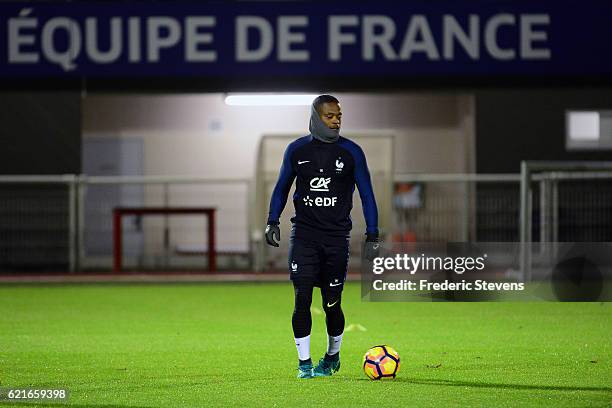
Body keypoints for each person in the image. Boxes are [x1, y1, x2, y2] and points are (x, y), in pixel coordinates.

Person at [264, 94, 379, 379]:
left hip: (336, 238)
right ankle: (304, 364)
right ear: (316, 118)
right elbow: (281, 188)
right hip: (303, 236)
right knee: (301, 298)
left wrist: (373, 233)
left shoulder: (352, 152)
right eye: (330, 116)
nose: (336, 120)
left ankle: (331, 356)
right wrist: (272, 220)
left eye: (339, 115)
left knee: (332, 303)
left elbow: (367, 194)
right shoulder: (297, 150)